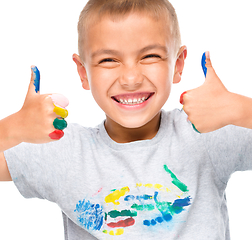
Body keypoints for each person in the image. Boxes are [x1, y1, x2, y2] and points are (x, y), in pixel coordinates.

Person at [1, 0, 252, 239]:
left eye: (150, 56)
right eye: (108, 60)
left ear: (177, 64)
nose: (131, 78)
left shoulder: (207, 135)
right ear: (83, 72)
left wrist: (239, 110)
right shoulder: (64, 152)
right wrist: (13, 129)